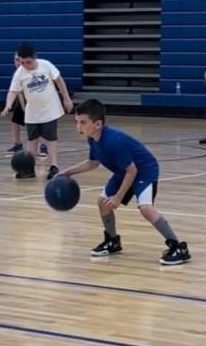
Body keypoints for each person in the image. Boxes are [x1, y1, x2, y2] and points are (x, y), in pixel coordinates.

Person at [60, 99, 191, 265]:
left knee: (145, 209)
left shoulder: (115, 141)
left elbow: (133, 170)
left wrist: (118, 196)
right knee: (102, 202)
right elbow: (93, 162)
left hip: (145, 170)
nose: (79, 127)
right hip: (124, 171)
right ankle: (112, 241)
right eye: (77, 122)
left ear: (98, 124)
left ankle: (178, 247)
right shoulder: (93, 138)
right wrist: (66, 173)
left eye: (83, 122)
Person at [1, 43, 74, 180]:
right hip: (32, 112)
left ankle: (53, 166)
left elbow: (59, 80)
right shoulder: (20, 73)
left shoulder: (46, 65)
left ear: (35, 57)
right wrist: (8, 104)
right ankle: (28, 169)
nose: (25, 65)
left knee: (50, 139)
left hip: (50, 109)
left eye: (28, 62)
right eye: (22, 62)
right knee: (32, 141)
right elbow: (13, 90)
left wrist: (66, 98)